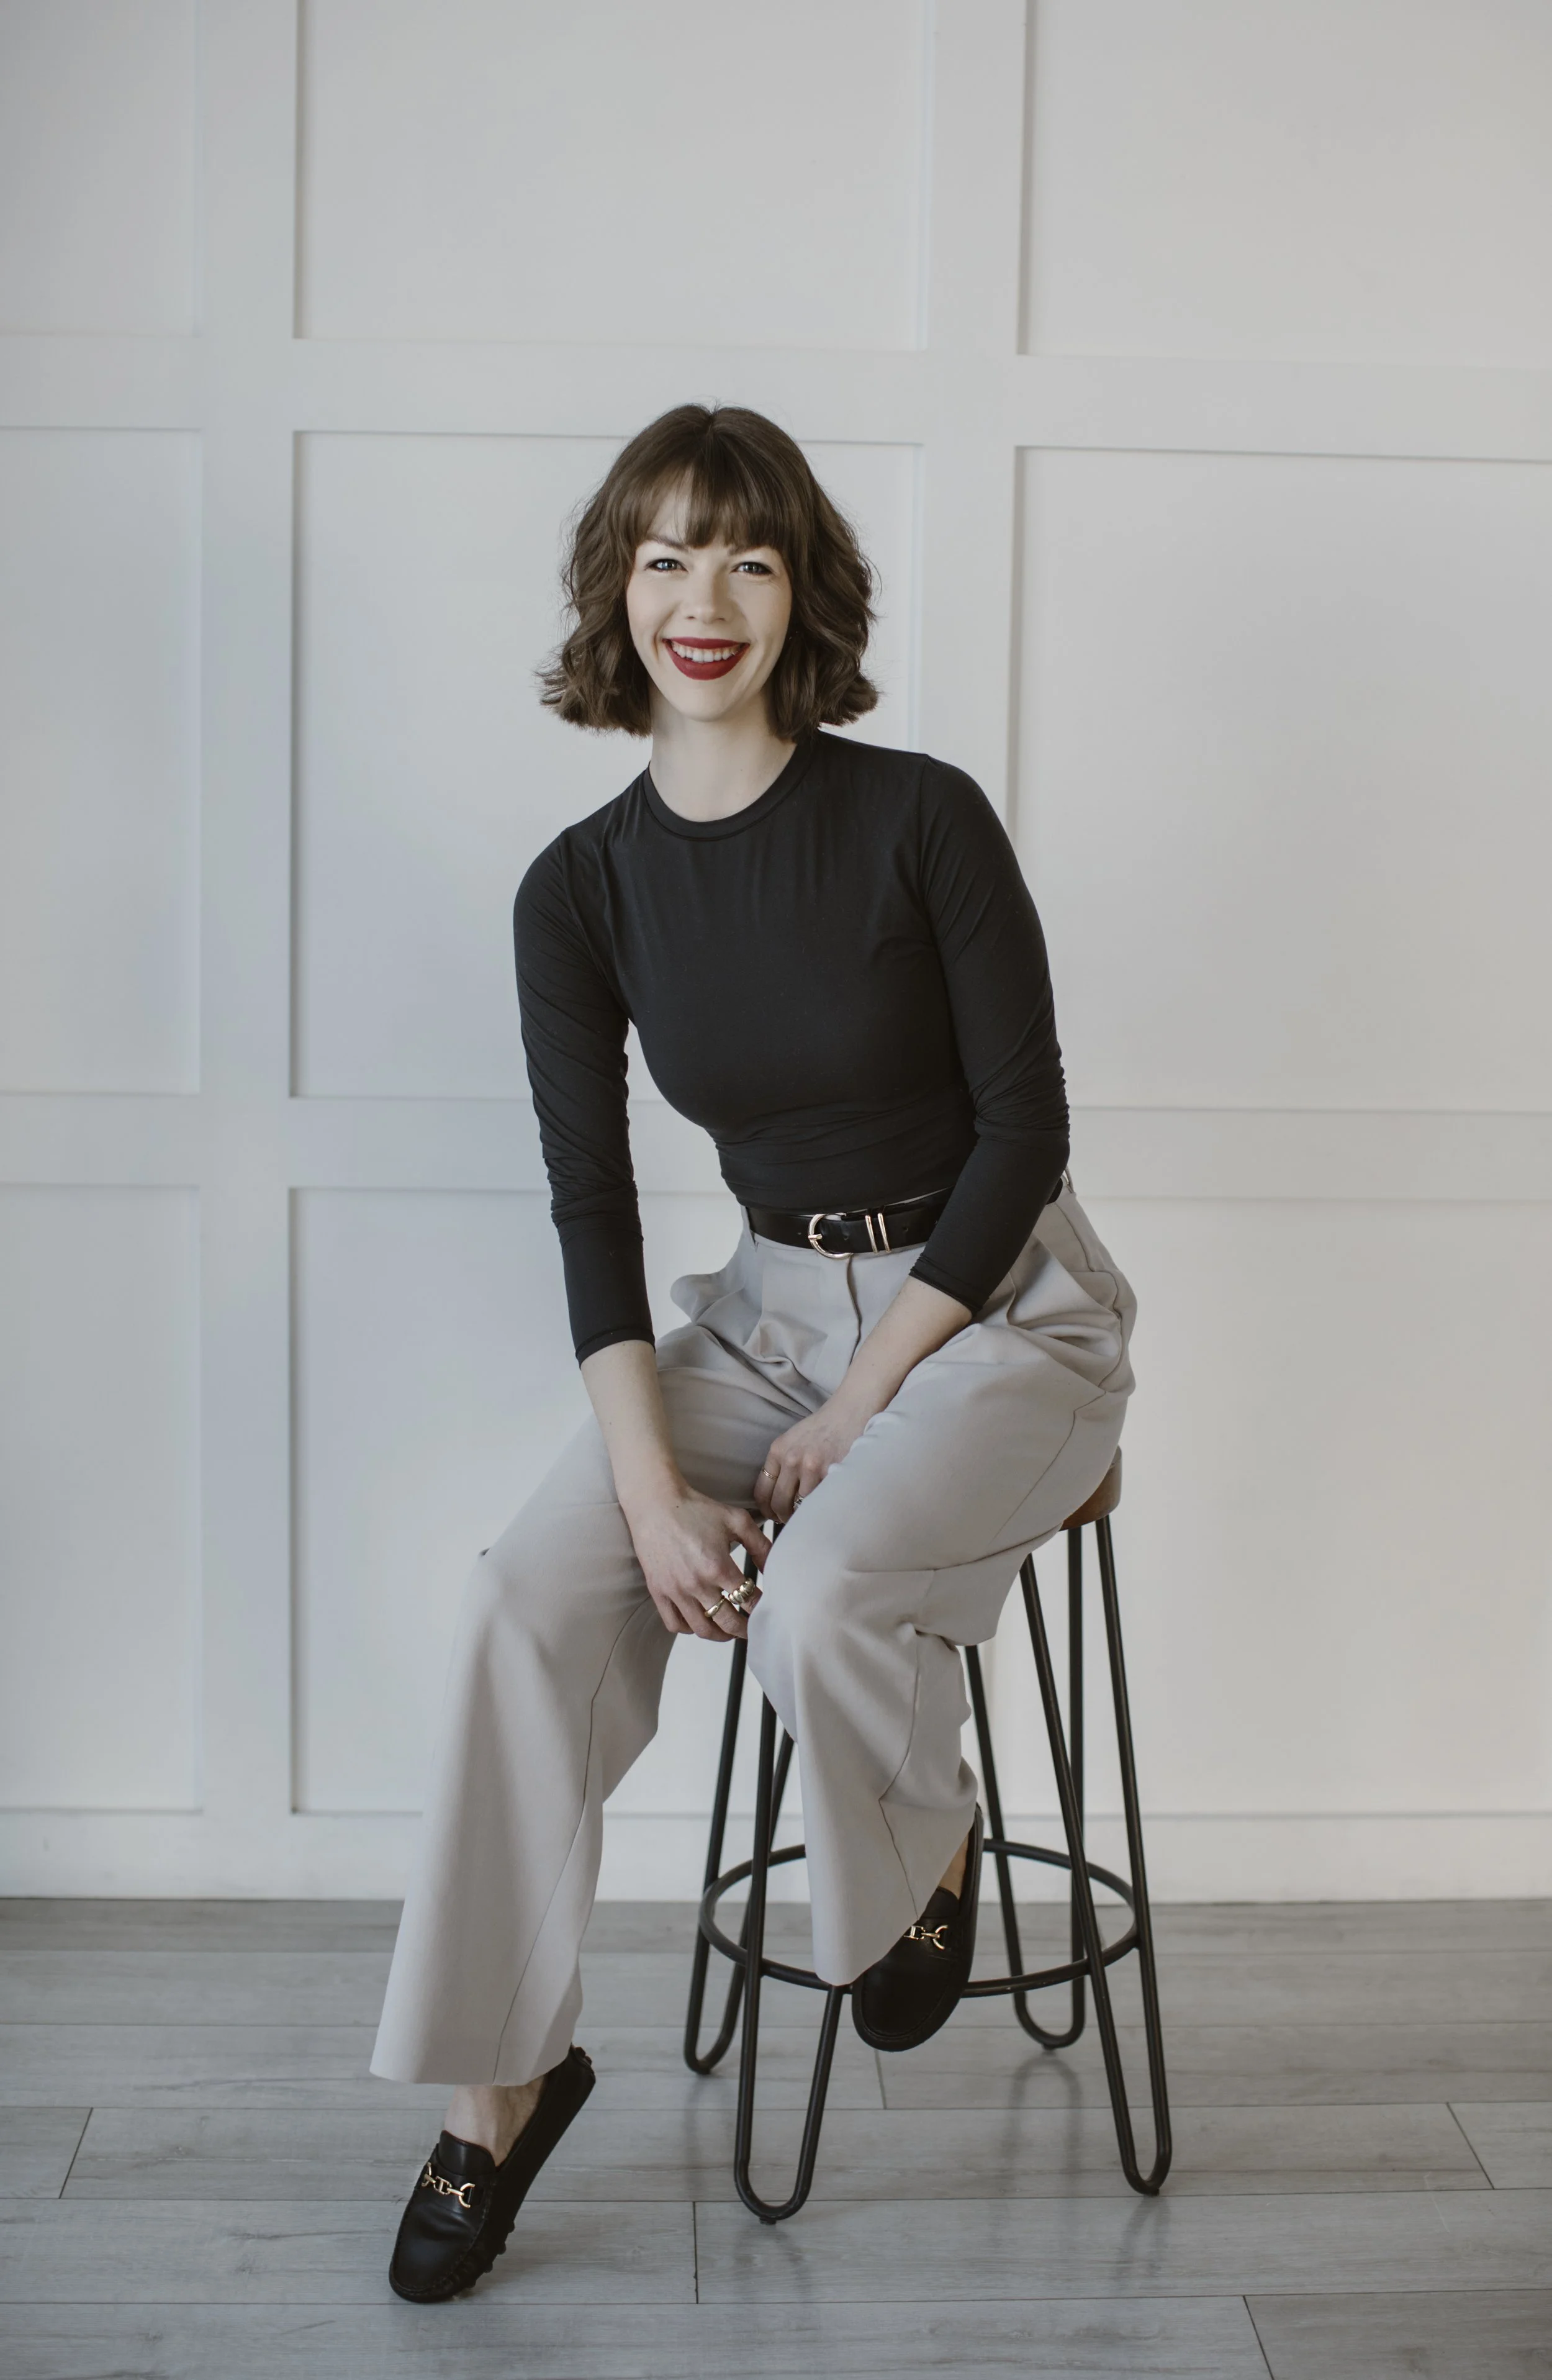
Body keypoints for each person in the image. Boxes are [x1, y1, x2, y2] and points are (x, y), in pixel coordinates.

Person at [372, 404, 1136, 2301]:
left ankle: (926, 1851)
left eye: (746, 555)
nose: (701, 599)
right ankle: (498, 2094)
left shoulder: (916, 814)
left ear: (799, 590)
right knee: (517, 1603)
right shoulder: (582, 887)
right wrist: (650, 1492)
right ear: (612, 589)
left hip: (995, 1303)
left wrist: (864, 1406)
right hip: (758, 1305)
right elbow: (593, 1211)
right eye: (662, 555)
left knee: (824, 1600)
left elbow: (1021, 1134)